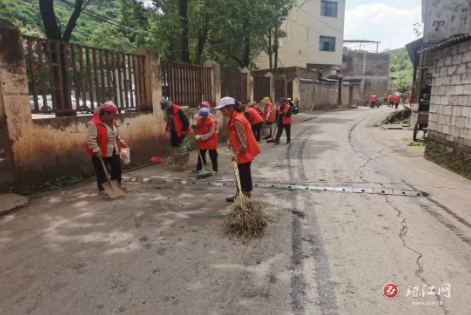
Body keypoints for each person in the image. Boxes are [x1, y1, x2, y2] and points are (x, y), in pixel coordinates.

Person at [215, 97, 261, 202]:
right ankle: (241, 194)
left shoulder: (237, 120)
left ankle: (244, 195)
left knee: (242, 173)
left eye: (223, 109)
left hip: (244, 151)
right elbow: (236, 134)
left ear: (230, 108)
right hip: (242, 151)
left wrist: (236, 153)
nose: (222, 112)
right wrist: (230, 140)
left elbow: (243, 141)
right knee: (242, 173)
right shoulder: (234, 117)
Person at [86, 101, 128, 195]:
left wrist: (121, 142)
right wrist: (96, 150)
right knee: (101, 171)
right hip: (101, 151)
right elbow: (91, 140)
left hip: (113, 150)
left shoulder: (112, 121)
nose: (114, 117)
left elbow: (116, 134)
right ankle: (102, 189)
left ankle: (116, 186)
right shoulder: (93, 124)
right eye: (112, 114)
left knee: (117, 168)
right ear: (105, 113)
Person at [192, 108, 218, 174]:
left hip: (211, 140)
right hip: (202, 139)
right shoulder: (200, 120)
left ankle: (215, 169)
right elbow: (199, 126)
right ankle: (199, 168)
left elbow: (211, 133)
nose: (200, 118)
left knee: (212, 155)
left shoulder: (212, 122)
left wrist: (201, 136)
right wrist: (195, 126)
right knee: (201, 154)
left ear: (206, 116)